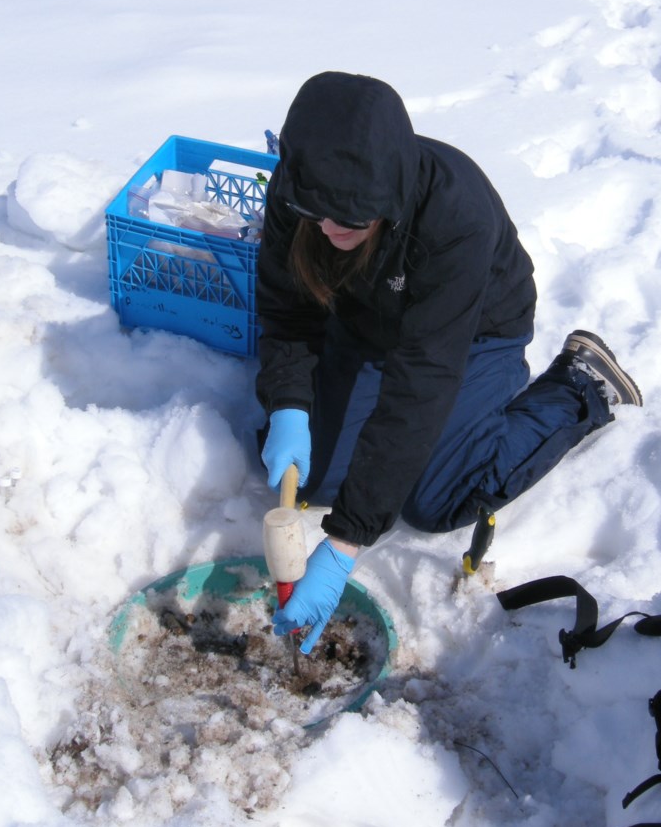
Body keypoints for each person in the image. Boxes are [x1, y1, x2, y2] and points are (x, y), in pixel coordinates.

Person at [255, 71, 641, 654]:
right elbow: (287, 313)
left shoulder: (453, 216)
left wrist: (344, 545)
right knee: (314, 477)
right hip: (370, 323)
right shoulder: (296, 188)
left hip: (471, 333)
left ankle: (579, 387)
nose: (331, 229)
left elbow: (422, 383)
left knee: (435, 499)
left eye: (352, 220)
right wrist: (288, 404)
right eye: (318, 215)